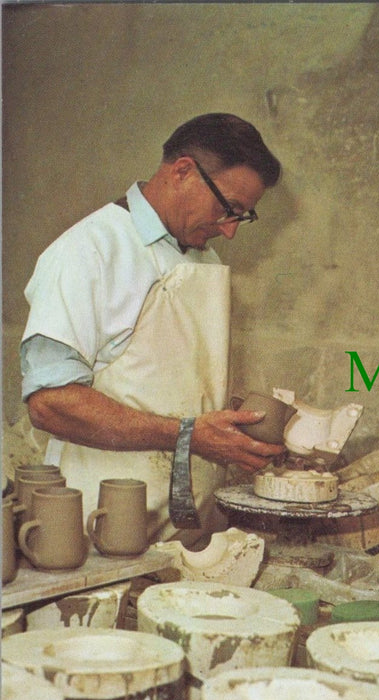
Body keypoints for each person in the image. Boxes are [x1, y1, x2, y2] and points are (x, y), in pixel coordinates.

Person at [19, 113, 286, 544]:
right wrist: (188, 434)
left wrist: (232, 424)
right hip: (98, 531)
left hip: (187, 527)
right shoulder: (89, 252)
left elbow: (171, 383)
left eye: (243, 216)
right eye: (228, 209)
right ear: (182, 171)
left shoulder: (203, 258)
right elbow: (51, 403)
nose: (230, 231)